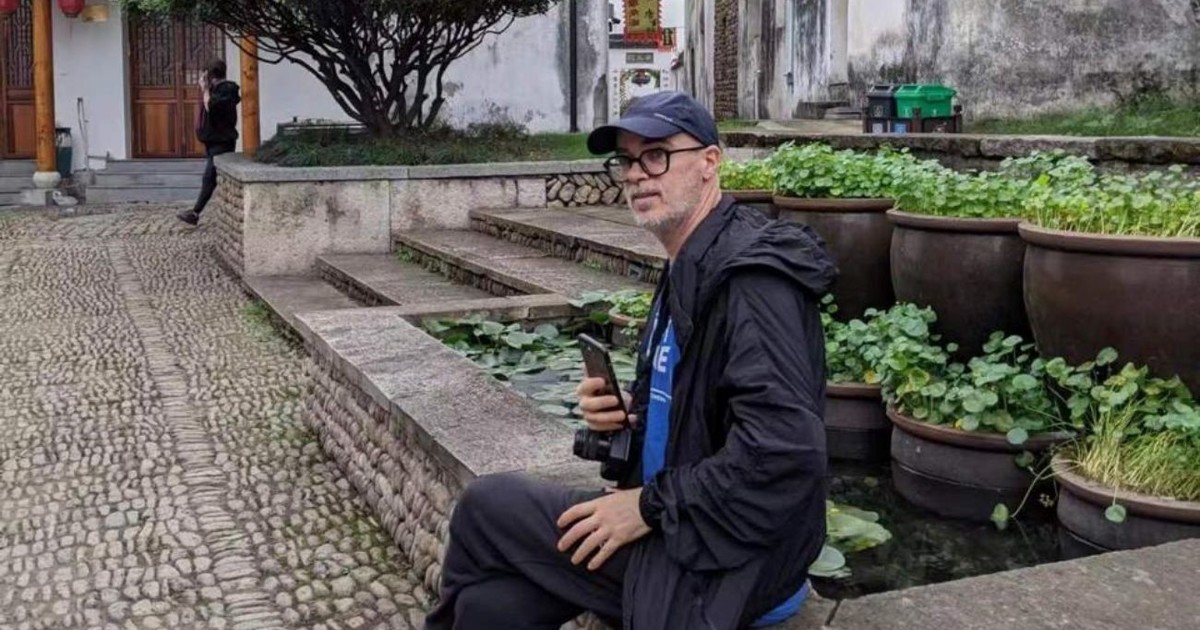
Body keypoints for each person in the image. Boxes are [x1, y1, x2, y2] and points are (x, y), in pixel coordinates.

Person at [424, 91, 836, 630]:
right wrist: (628, 423)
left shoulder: (752, 281)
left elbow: (784, 452)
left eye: (657, 155)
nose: (638, 174)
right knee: (491, 609)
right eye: (627, 160)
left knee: (486, 505)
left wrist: (644, 508)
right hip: (686, 528)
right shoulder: (689, 263)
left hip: (733, 560)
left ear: (710, 162)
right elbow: (700, 418)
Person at [177, 59, 241, 226]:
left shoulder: (226, 90)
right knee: (211, 177)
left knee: (209, 177)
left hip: (222, 142)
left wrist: (205, 89)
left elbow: (211, 106)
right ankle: (197, 212)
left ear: (211, 76)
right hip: (213, 141)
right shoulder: (218, 90)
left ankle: (195, 213)